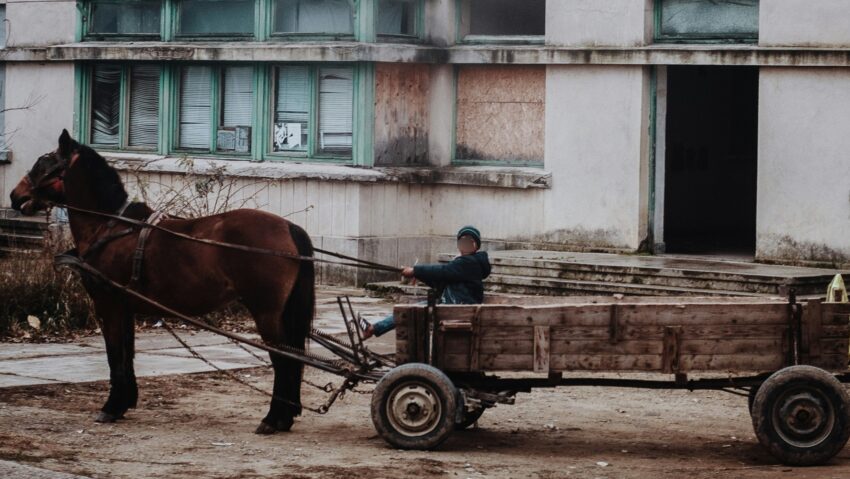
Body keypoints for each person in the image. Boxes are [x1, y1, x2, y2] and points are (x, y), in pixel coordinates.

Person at [363, 226, 491, 339]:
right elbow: (442, 282)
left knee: (409, 312)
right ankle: (373, 328)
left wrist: (415, 271)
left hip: (459, 308)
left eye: (469, 241)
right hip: (451, 304)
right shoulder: (464, 263)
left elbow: (443, 271)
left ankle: (373, 329)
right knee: (407, 310)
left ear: (476, 246)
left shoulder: (470, 263)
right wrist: (419, 275)